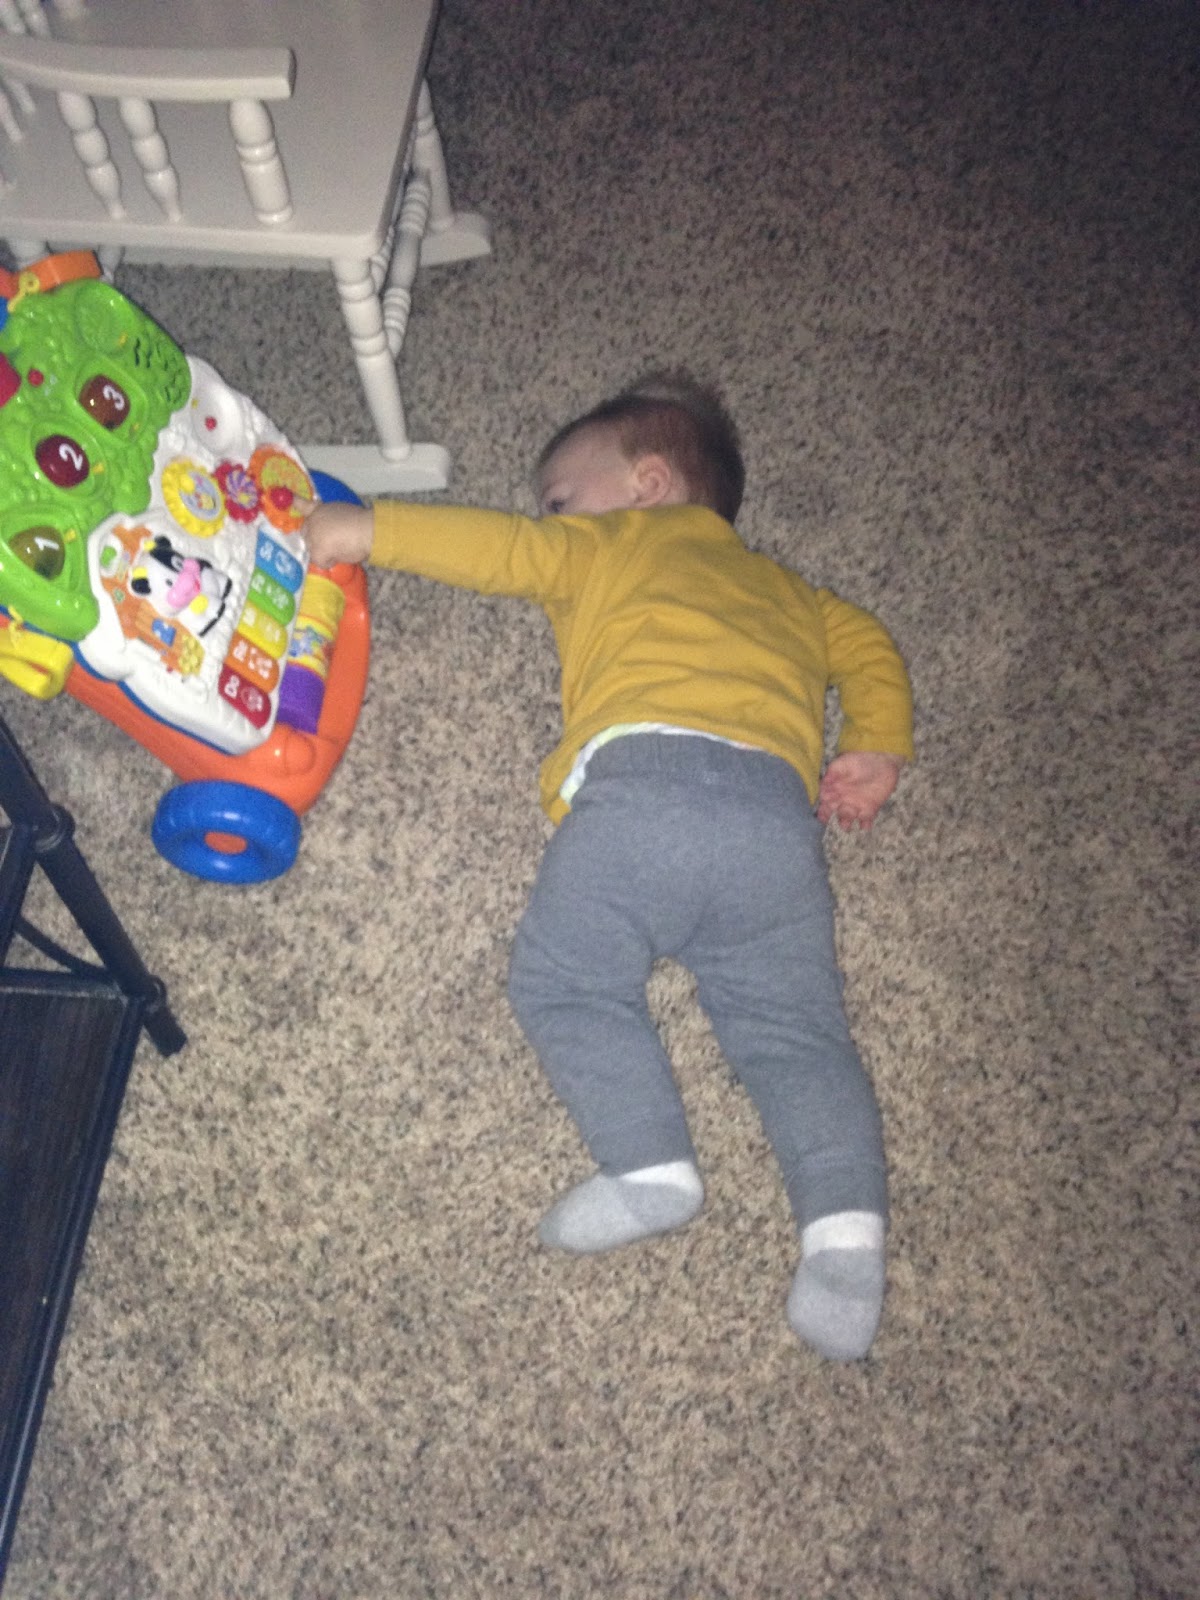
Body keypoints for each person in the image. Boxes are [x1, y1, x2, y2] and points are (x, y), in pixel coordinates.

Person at [299, 373, 914, 1360]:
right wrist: (875, 743)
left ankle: (649, 1166)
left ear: (648, 484)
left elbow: (498, 553)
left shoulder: (613, 543)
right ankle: (846, 1243)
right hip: (774, 830)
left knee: (567, 985)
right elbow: (872, 648)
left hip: (645, 799)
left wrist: (366, 529)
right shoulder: (800, 597)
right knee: (799, 1036)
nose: (547, 520)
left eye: (559, 499)